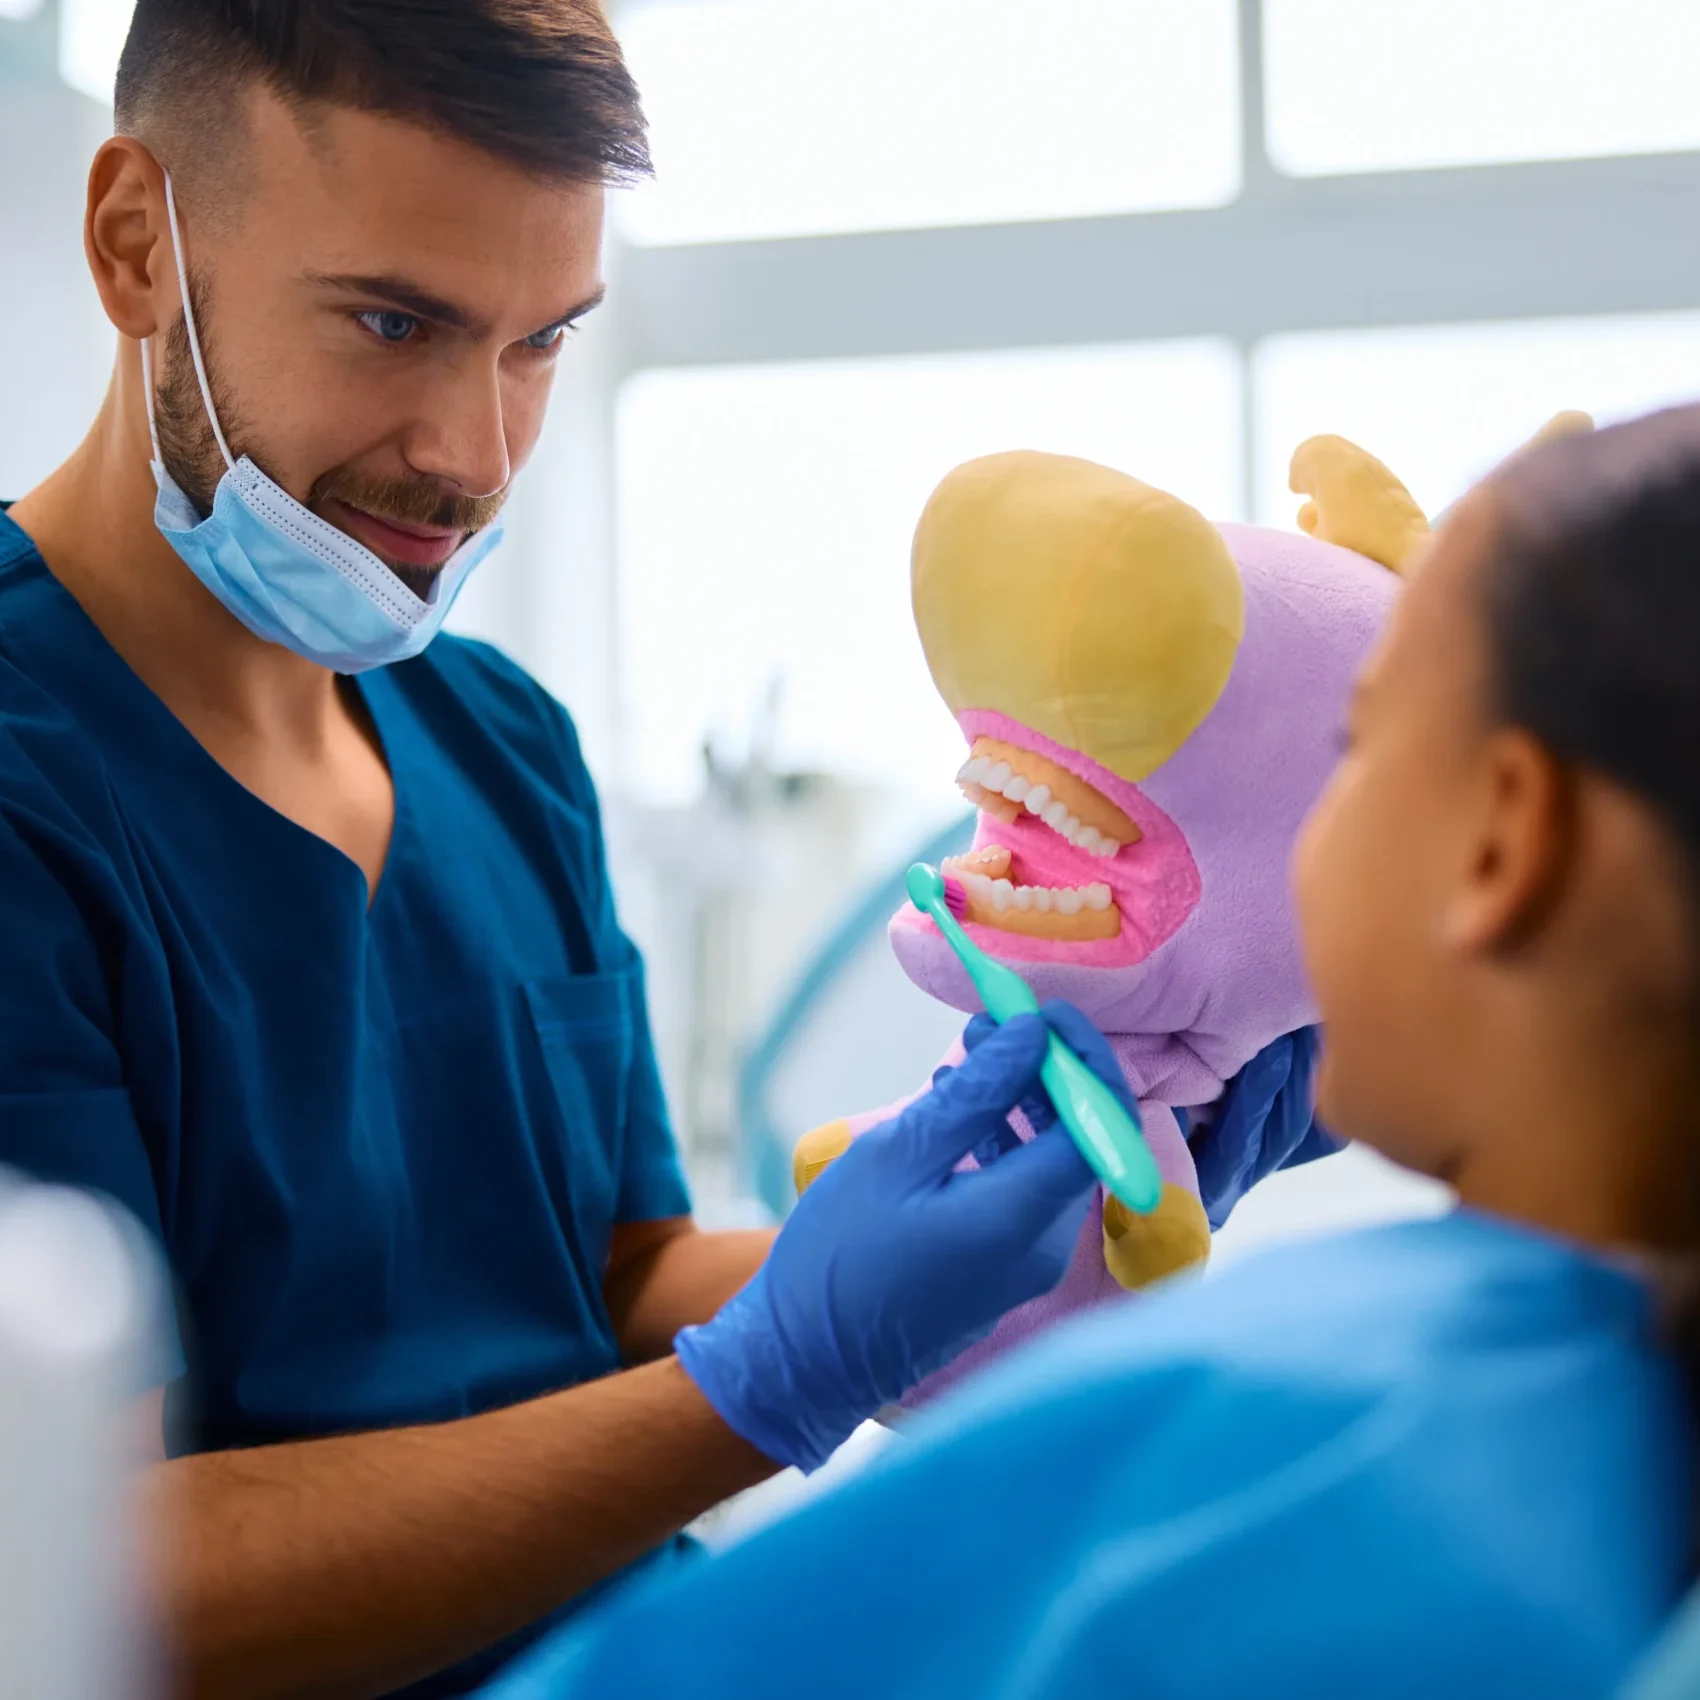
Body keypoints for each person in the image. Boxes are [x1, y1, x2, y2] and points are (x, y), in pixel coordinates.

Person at [0, 3, 1136, 1695]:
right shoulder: (34, 783)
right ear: (131, 246)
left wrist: (1009, 1258)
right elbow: (100, 1581)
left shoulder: (504, 743)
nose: (475, 452)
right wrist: (765, 1384)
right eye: (395, 322)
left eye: (540, 343)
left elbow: (608, 1267)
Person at [478, 408, 1700, 1700]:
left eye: (1361, 746)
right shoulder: (1573, 1437)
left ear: (1503, 845)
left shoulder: (1266, 1446)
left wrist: (793, 1368)